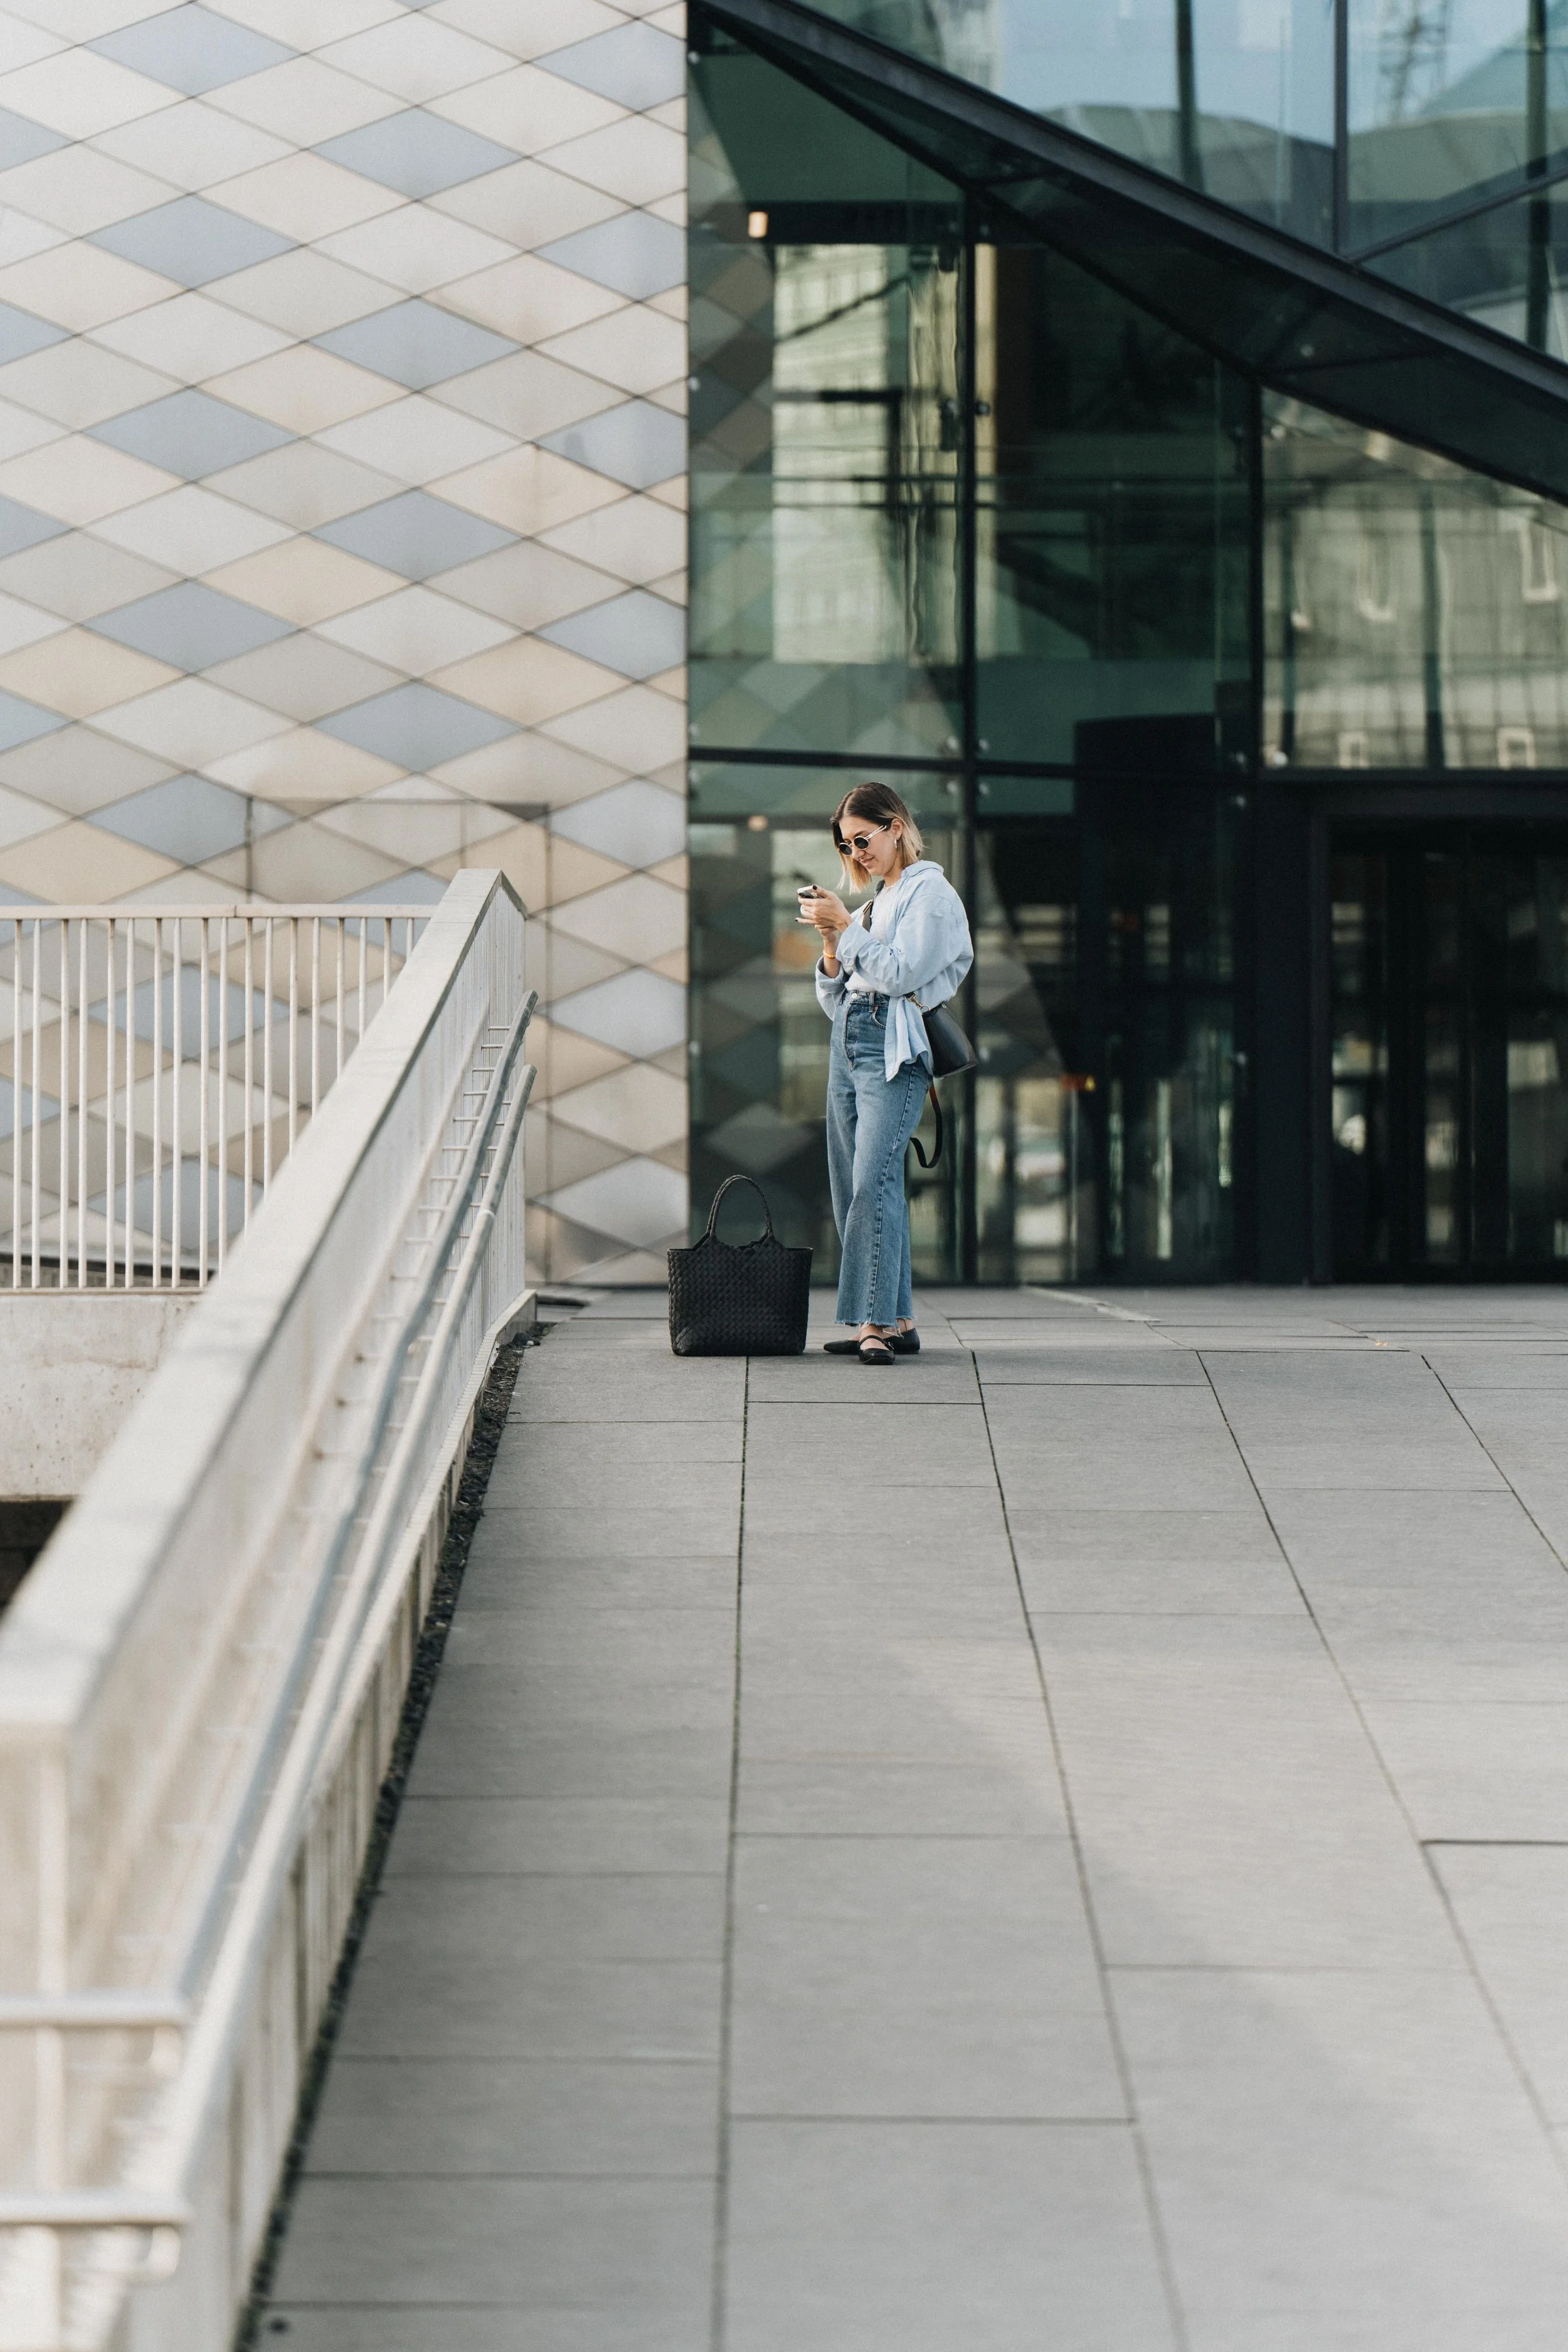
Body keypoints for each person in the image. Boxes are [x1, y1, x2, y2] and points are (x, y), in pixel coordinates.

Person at [798, 783, 973, 1365]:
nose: (856, 854)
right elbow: (838, 997)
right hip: (849, 1038)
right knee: (855, 1182)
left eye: (863, 839)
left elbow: (899, 976)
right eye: (847, 846)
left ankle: (871, 1324)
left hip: (894, 1047)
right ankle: (898, 1318)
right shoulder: (875, 903)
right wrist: (832, 943)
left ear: (896, 826)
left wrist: (846, 929)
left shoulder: (932, 894)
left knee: (873, 1180)